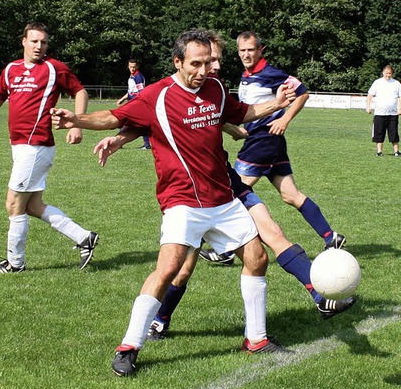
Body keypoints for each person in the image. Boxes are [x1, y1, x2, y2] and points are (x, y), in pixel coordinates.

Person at [52, 30, 297, 377]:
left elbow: (243, 112)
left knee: (257, 259)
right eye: (195, 64)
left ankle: (256, 339)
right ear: (178, 62)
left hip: (223, 199)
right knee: (167, 269)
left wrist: (278, 102)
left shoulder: (215, 88)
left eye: (207, 63)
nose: (202, 70)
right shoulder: (157, 95)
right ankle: (129, 346)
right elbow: (114, 116)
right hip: (182, 200)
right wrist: (77, 119)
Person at [95, 32, 356, 342]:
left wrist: (251, 120)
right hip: (202, 185)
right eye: (209, 59)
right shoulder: (190, 87)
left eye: (216, 60)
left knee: (268, 234)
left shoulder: (213, 87)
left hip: (224, 178)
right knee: (183, 265)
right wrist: (119, 138)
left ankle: (317, 294)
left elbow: (227, 117)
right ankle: (159, 321)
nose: (214, 66)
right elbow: (152, 120)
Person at [0, 22, 99, 273]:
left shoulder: (54, 68)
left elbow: (80, 91)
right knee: (31, 206)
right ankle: (84, 237)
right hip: (19, 145)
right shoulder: (11, 69)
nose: (39, 46)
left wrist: (77, 123)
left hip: (36, 145)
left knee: (13, 204)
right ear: (24, 42)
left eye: (43, 42)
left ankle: (15, 264)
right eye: (34, 41)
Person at [234, 31, 345, 250]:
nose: (246, 54)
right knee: (291, 195)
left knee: (233, 194)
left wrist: (285, 118)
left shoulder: (270, 73)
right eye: (242, 50)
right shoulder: (246, 75)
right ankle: (331, 237)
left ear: (260, 50)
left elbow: (302, 93)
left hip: (263, 142)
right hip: (269, 143)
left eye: (250, 50)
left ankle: (227, 250)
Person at [366, 64, 401, 157]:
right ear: (383, 72)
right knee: (379, 132)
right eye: (386, 73)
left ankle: (396, 152)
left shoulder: (397, 84)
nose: (388, 75)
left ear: (392, 73)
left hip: (393, 113)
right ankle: (379, 152)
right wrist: (368, 106)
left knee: (394, 133)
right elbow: (370, 95)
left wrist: (399, 108)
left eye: (390, 73)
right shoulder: (377, 83)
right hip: (379, 113)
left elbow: (400, 97)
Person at [116, 59, 150, 149]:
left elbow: (141, 92)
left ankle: (118, 142)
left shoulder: (138, 77)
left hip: (135, 103)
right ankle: (146, 144)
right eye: (131, 67)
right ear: (128, 67)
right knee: (127, 121)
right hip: (131, 102)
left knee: (124, 120)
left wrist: (138, 104)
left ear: (137, 67)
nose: (132, 69)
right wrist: (122, 99)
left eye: (134, 67)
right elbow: (131, 91)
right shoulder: (132, 76)